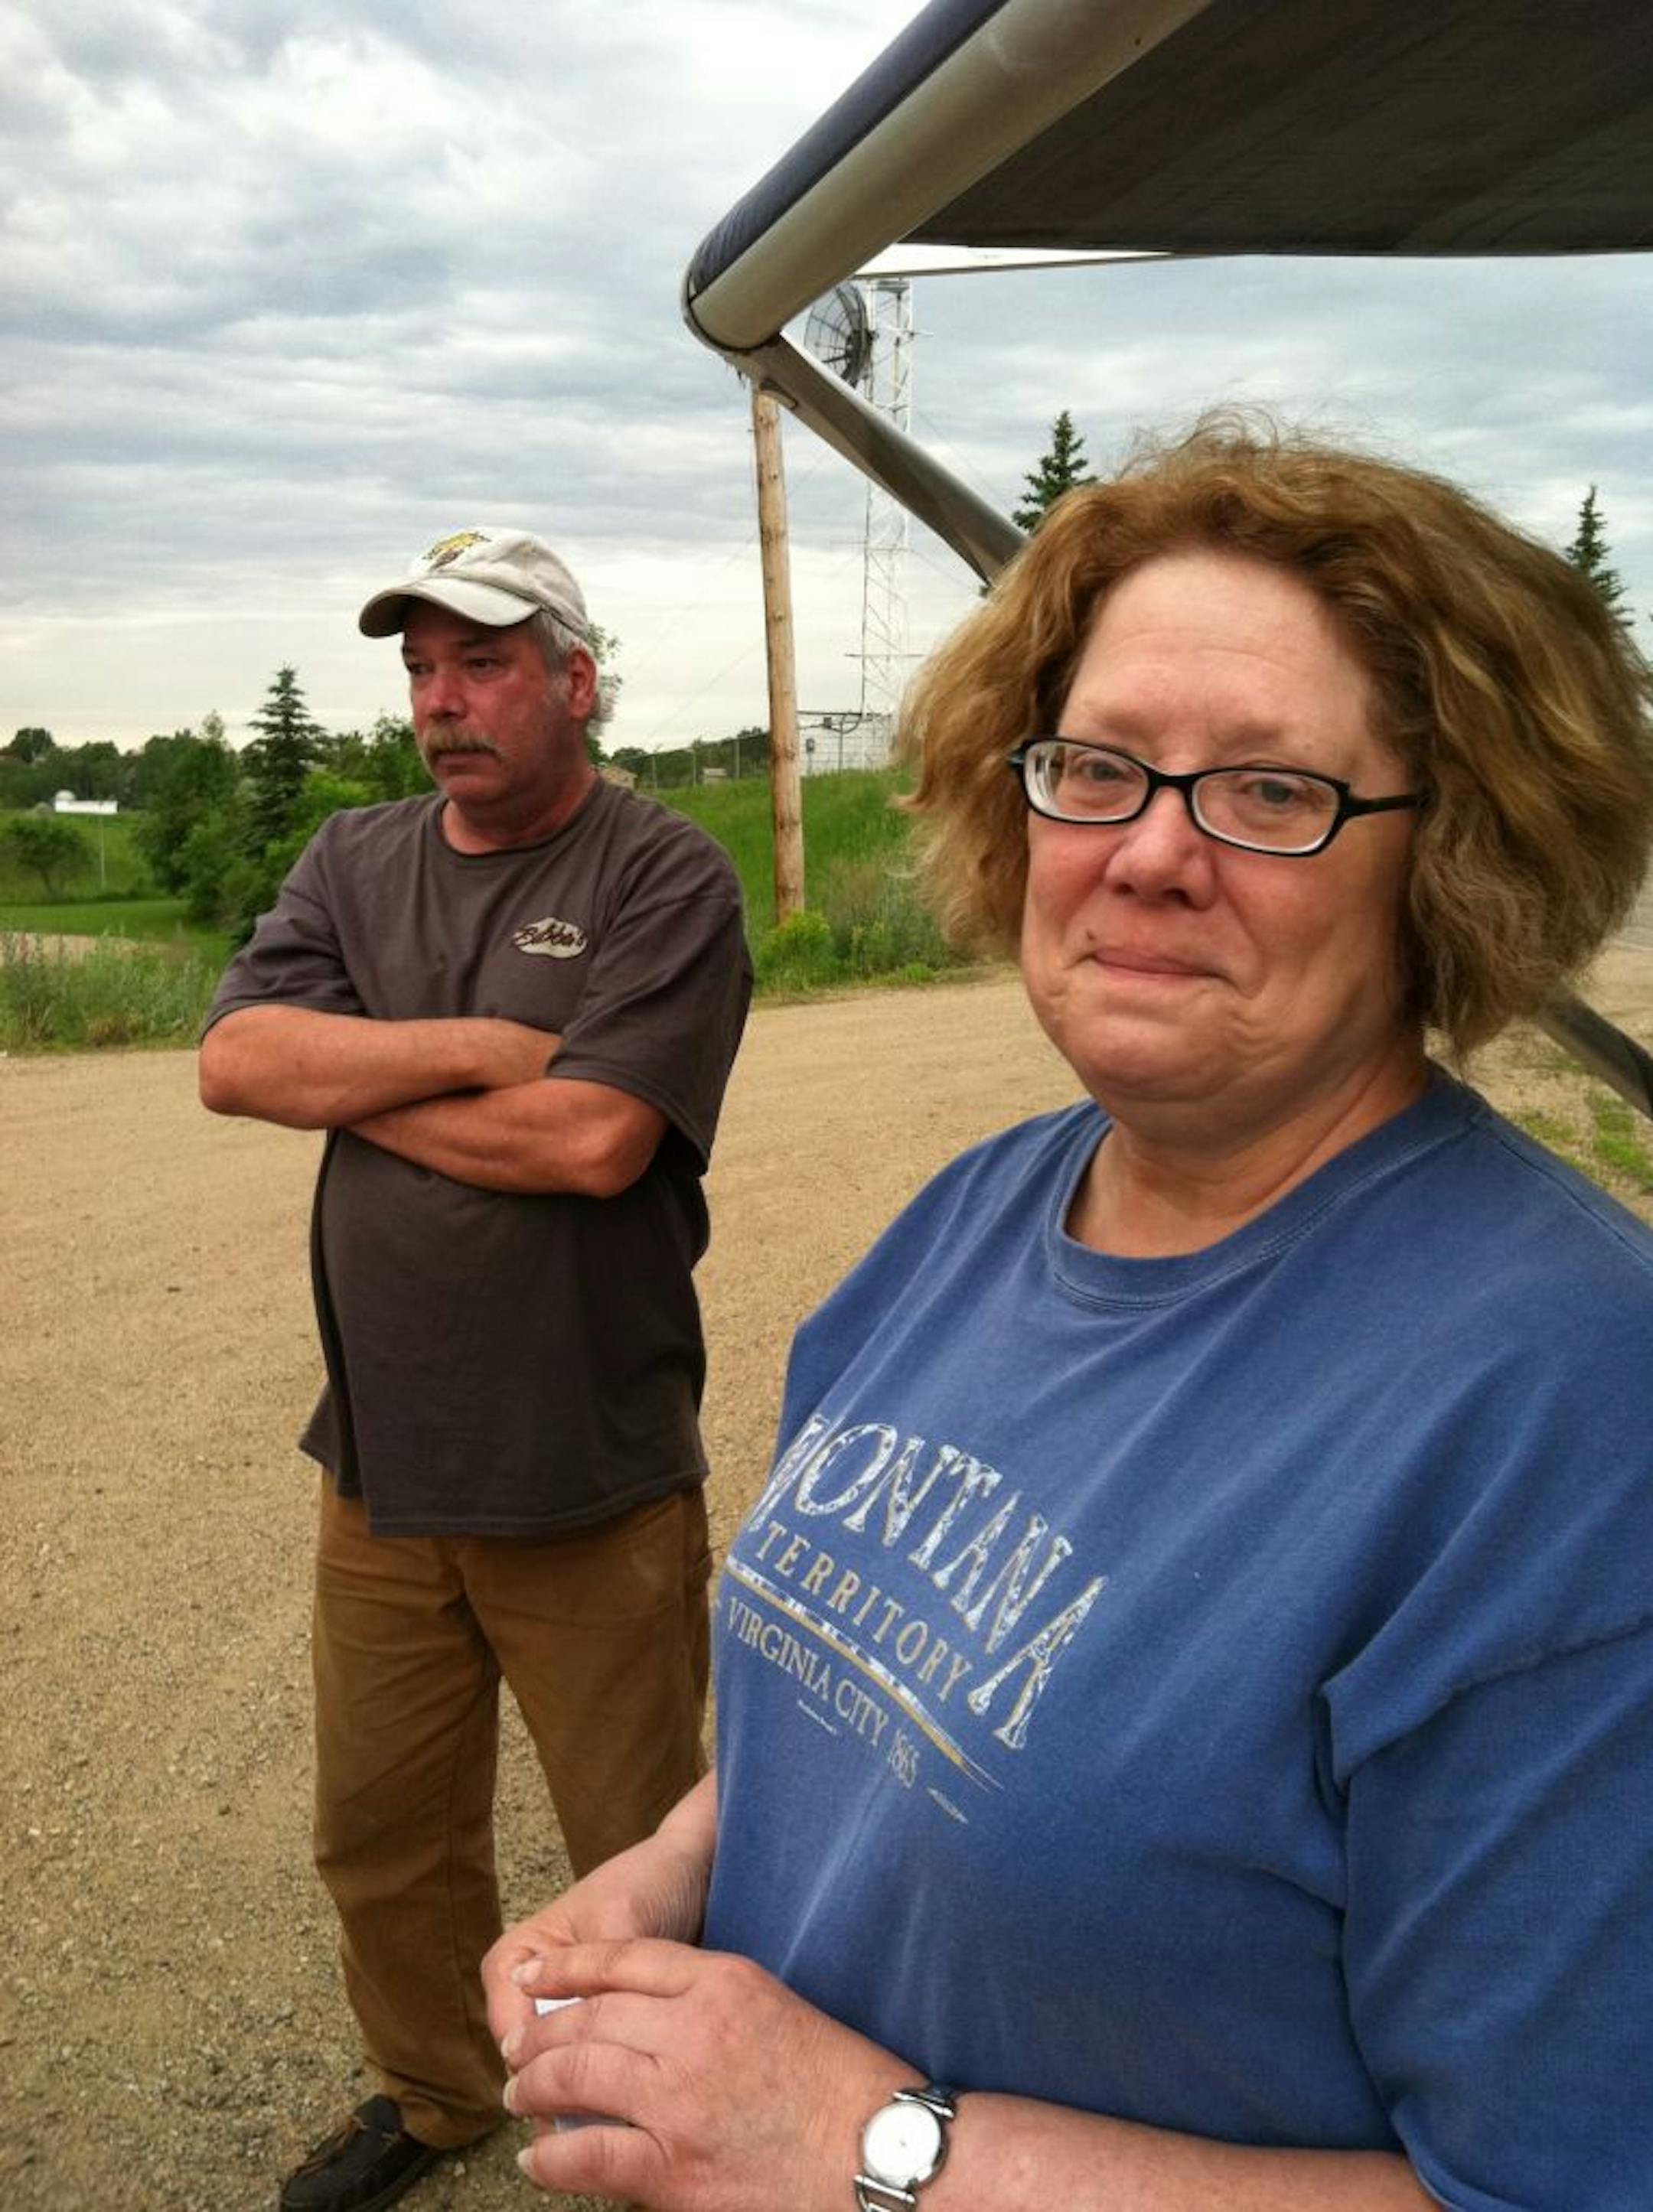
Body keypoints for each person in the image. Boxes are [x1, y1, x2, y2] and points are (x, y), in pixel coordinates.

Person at [481, 422, 1653, 2212]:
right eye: (1097, 767)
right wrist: (664, 1873)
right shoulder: (973, 1214)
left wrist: (862, 2146)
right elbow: (882, 1736)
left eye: (1272, 792)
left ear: (1453, 856)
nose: (1151, 854)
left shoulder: (1564, 1417)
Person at [197, 526, 752, 2212]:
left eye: (486, 663)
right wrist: (472, 1048)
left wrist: (350, 1073)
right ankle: (439, 2101)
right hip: (379, 1463)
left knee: (644, 1847)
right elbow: (235, 1061)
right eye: (422, 669)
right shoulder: (355, 857)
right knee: (382, 1836)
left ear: (576, 680)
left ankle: (688, 2134)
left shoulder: (665, 875)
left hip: (586, 1464)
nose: (446, 703)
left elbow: (594, 1139)